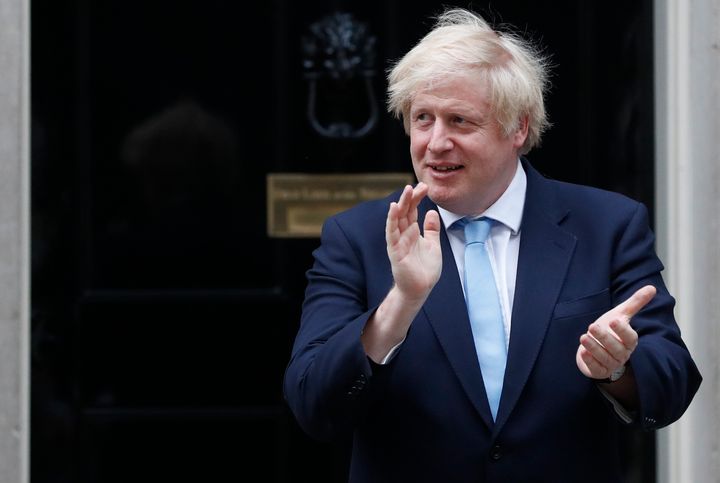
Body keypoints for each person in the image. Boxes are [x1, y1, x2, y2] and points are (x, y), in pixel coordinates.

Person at [283, 8, 701, 482]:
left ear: (518, 128)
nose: (436, 143)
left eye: (460, 121)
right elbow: (313, 405)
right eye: (423, 119)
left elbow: (674, 382)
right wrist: (400, 304)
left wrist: (618, 369)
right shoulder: (357, 237)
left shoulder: (607, 225)